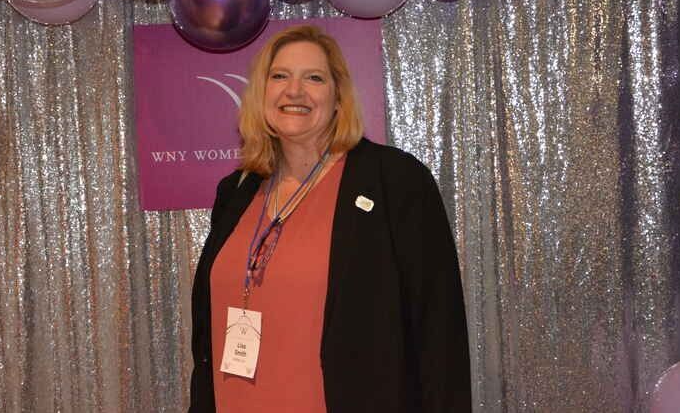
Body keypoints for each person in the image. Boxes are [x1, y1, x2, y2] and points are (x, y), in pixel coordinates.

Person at [189, 25, 471, 413]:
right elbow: (206, 335)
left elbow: (439, 330)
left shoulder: (395, 181)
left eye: (314, 78)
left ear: (339, 97)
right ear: (261, 93)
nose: (294, 91)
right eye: (279, 76)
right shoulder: (235, 191)